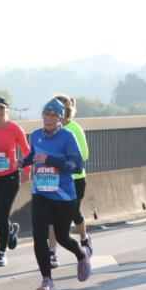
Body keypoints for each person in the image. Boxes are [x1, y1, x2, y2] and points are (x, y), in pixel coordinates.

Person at [21, 99, 90, 290]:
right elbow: (33, 155)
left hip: (64, 195)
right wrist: (22, 162)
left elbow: (77, 166)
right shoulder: (35, 135)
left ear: (60, 118)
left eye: (53, 115)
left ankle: (81, 254)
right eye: (46, 114)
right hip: (41, 192)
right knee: (39, 236)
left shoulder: (67, 137)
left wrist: (51, 160)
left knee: (62, 237)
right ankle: (47, 280)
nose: (49, 119)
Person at [0, 96, 29, 267]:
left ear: (6, 111)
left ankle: (1, 254)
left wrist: (26, 170)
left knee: (2, 215)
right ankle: (11, 229)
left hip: (10, 176)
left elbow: (26, 150)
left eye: (1, 109)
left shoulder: (14, 129)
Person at [47, 95, 92, 262]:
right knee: (52, 217)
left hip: (75, 179)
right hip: (55, 179)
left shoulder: (75, 129)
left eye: (59, 110)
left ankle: (84, 238)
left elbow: (85, 155)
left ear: (67, 111)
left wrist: (62, 160)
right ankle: (52, 251)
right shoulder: (49, 130)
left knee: (74, 214)